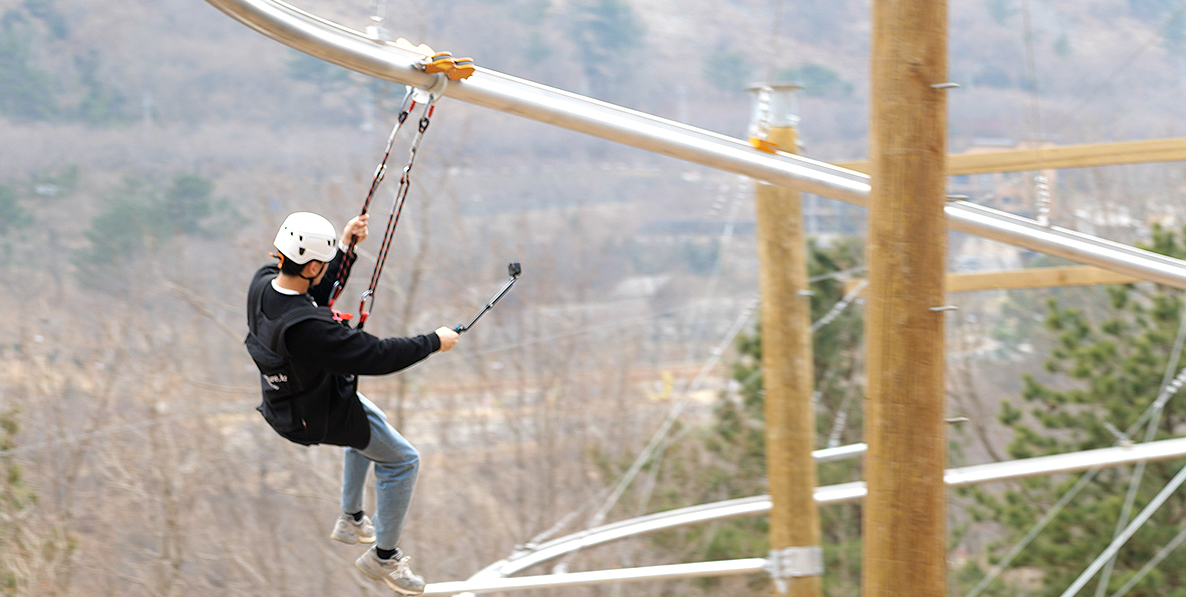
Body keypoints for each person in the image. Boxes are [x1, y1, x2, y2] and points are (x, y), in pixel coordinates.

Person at [245, 211, 459, 595]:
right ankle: (383, 557)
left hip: (296, 404)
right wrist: (433, 341)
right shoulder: (309, 330)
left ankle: (352, 519)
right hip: (316, 415)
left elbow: (314, 293)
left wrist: (345, 248)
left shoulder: (263, 285)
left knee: (364, 430)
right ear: (310, 264)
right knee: (403, 460)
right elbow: (376, 355)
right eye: (322, 264)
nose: (324, 269)